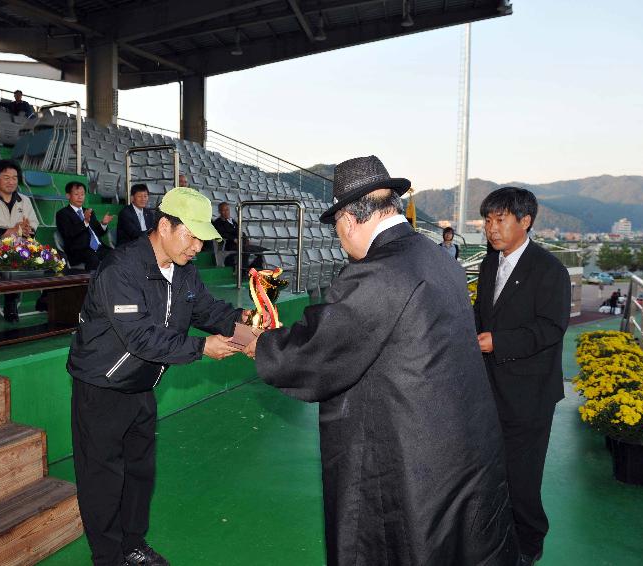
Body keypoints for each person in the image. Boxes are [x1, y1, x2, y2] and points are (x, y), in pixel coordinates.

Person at [245, 156, 518, 565]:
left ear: (350, 221)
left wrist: (258, 344)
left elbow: (318, 352)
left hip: (411, 458)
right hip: (457, 447)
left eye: (337, 230)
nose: (340, 242)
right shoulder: (436, 257)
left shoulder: (379, 272)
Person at [67, 187, 250, 566]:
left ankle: (132, 544)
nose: (198, 246)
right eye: (192, 235)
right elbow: (139, 337)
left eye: (203, 238)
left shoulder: (183, 270)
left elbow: (207, 310)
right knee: (102, 479)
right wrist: (201, 349)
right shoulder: (121, 268)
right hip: (101, 387)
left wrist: (244, 323)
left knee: (139, 473)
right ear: (165, 226)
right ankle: (107, 557)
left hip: (142, 384)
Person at [474, 187, 571, 565]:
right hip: (490, 388)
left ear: (525, 221)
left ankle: (529, 544)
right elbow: (483, 314)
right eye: (487, 220)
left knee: (522, 478)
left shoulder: (549, 270)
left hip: (529, 394)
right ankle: (497, 533)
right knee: (490, 470)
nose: (491, 228)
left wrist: (497, 341)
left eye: (500, 219)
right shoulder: (488, 264)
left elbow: (550, 328)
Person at [0, 159, 40, 322]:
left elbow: (33, 223)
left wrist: (27, 231)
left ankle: (47, 299)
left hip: (21, 248)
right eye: (6, 177)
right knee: (13, 261)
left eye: (14, 178)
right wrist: (10, 231)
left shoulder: (24, 200)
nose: (11, 182)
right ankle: (10, 303)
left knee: (56, 260)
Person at [56, 181, 114, 270]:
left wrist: (103, 224)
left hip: (99, 248)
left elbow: (99, 233)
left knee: (116, 255)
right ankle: (93, 283)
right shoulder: (62, 214)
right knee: (93, 259)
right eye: (76, 194)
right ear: (68, 196)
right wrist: (85, 222)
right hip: (78, 251)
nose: (80, 197)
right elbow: (68, 233)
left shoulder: (89, 211)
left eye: (82, 194)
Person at [211, 202, 267, 271]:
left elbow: (240, 231)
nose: (226, 212)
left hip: (240, 243)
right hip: (230, 244)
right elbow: (221, 234)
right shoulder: (217, 222)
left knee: (264, 251)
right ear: (220, 211)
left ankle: (251, 268)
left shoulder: (232, 221)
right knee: (246, 250)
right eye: (224, 210)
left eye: (227, 210)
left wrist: (246, 239)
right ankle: (243, 272)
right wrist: (233, 239)